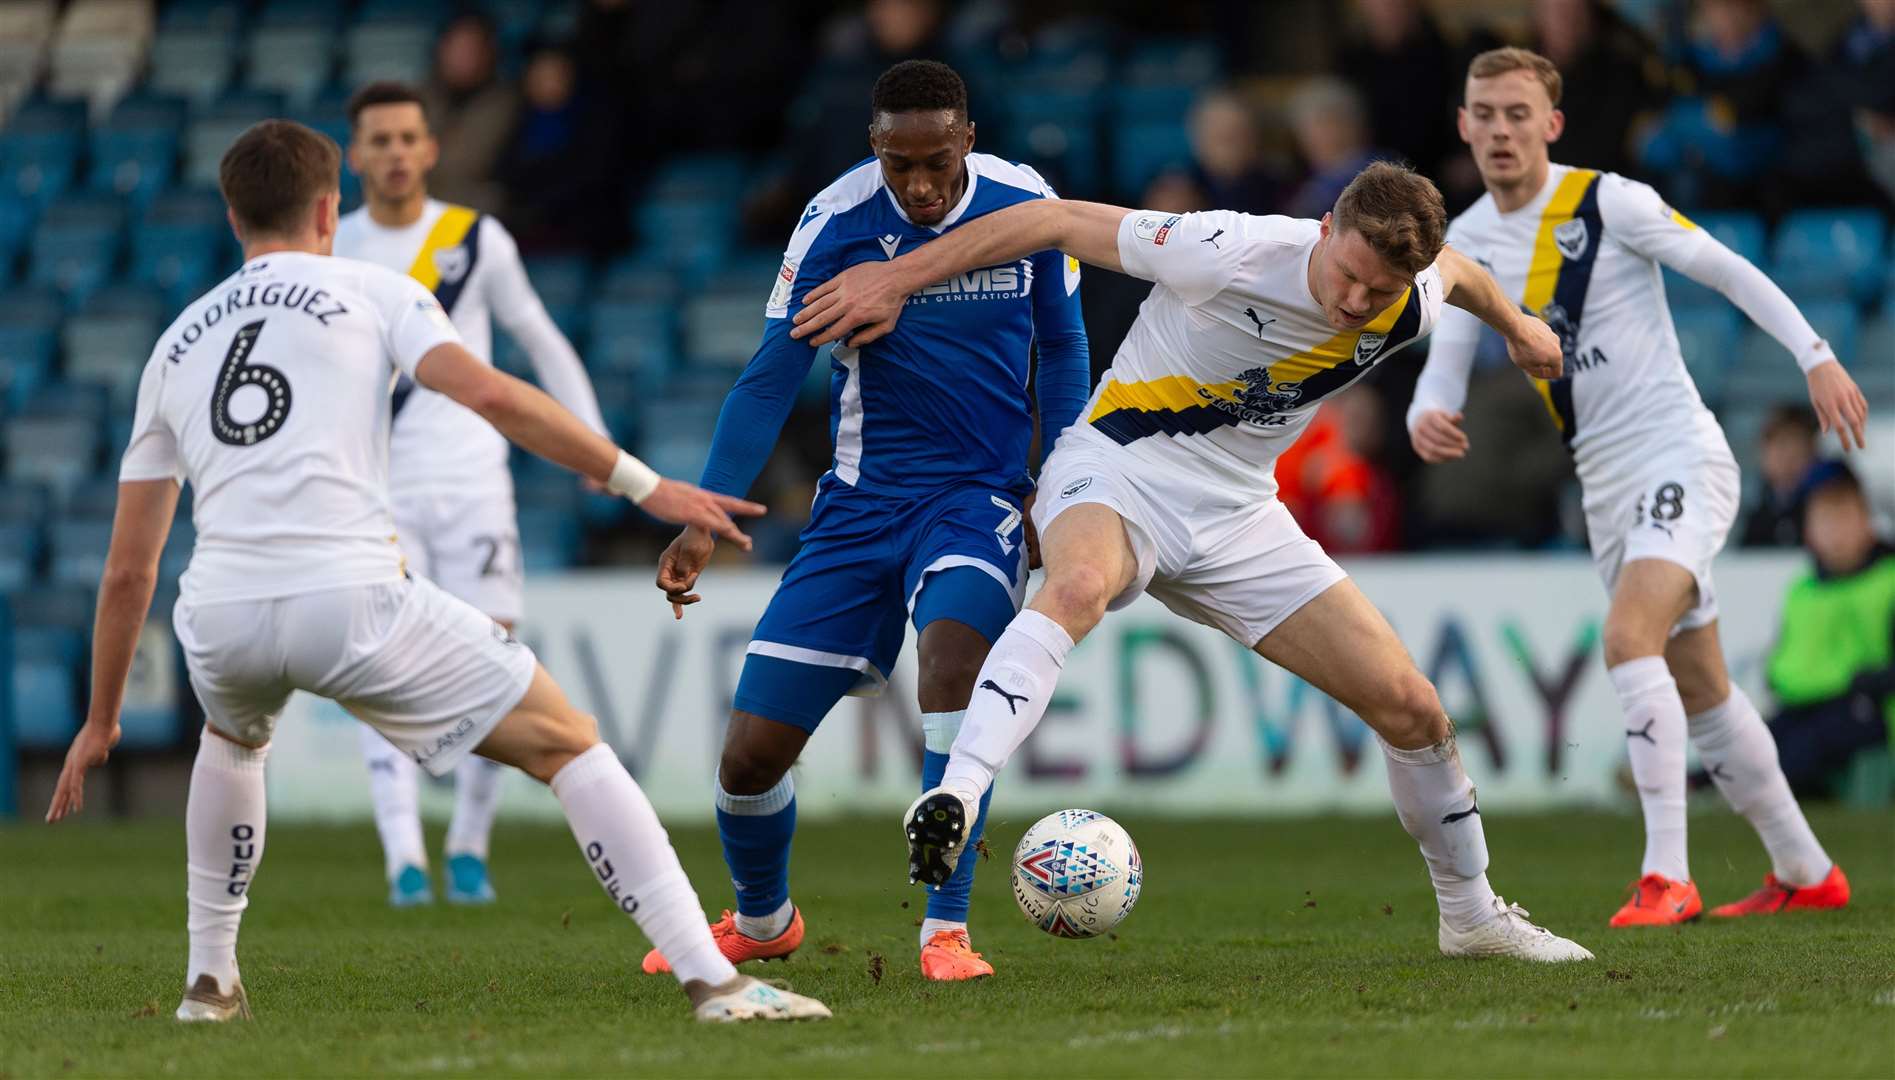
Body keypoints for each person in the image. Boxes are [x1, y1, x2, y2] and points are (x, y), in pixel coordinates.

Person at [42, 120, 828, 1025]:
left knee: (232, 741)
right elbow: (490, 392)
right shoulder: (374, 289)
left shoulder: (175, 343)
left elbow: (127, 571)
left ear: (231, 218)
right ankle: (715, 982)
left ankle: (209, 986)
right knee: (569, 743)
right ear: (330, 208)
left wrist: (101, 720)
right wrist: (643, 485)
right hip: (349, 597)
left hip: (218, 611)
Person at [793, 160, 1594, 963]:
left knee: (1413, 711)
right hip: (1118, 468)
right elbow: (1055, 220)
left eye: (1378, 292)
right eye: (1347, 274)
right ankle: (957, 795)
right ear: (1324, 231)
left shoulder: (1407, 297)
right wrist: (894, 278)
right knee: (1075, 585)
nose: (1355, 302)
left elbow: (1456, 274)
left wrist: (1519, 324)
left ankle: (1472, 918)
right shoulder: (1224, 248)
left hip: (1239, 515)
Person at [645, 60, 1090, 983]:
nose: (920, 186)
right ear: (875, 151)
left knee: (956, 655)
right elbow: (772, 374)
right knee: (749, 756)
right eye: (900, 167)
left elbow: (1063, 345)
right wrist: (703, 513)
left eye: (936, 162)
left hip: (977, 498)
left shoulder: (1025, 203)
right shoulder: (835, 222)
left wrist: (1060, 479)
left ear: (967, 139)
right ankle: (764, 923)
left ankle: (944, 929)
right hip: (856, 508)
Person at [1406, 47, 1866, 926]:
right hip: (1605, 485)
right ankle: (1807, 871)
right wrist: (1423, 412)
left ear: (1551, 125)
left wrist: (1813, 355)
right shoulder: (1461, 240)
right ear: (1462, 126)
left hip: (1677, 457)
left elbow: (1726, 269)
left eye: (1516, 113)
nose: (1500, 130)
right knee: (1702, 689)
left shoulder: (1606, 201)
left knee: (1627, 640)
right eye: (1483, 114)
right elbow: (1447, 354)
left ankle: (1667, 876)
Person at [336, 81, 610, 908]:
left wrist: (590, 443)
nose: (392, 153)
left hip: (472, 482)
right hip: (376, 488)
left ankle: (467, 848)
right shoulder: (334, 249)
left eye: (405, 137)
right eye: (377, 140)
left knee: (494, 658)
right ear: (354, 155)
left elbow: (539, 339)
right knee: (379, 667)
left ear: (429, 148)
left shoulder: (474, 239)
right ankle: (402, 860)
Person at [1761, 461, 1895, 801]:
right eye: (1825, 521)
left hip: (1868, 709)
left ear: (1866, 522)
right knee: (1759, 739)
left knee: (1809, 743)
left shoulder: (1888, 581)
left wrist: (1871, 681)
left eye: (1844, 519)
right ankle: (1699, 781)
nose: (1835, 533)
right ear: (1809, 530)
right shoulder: (1802, 590)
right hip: (1803, 703)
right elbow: (1782, 656)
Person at [1740, 405, 1820, 548]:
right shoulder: (1752, 515)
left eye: (1796, 447)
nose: (1788, 458)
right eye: (1780, 446)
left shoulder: (1822, 508)